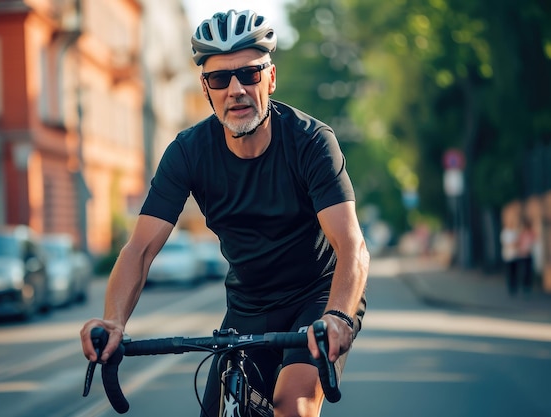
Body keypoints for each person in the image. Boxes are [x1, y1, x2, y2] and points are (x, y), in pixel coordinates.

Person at [80, 9, 369, 417]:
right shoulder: (188, 152)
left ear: (270, 78)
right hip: (249, 304)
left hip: (319, 298)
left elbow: (352, 246)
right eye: (220, 78)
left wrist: (338, 316)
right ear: (205, 88)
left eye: (249, 74)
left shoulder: (312, 143)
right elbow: (140, 248)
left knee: (292, 405)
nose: (235, 89)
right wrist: (113, 322)